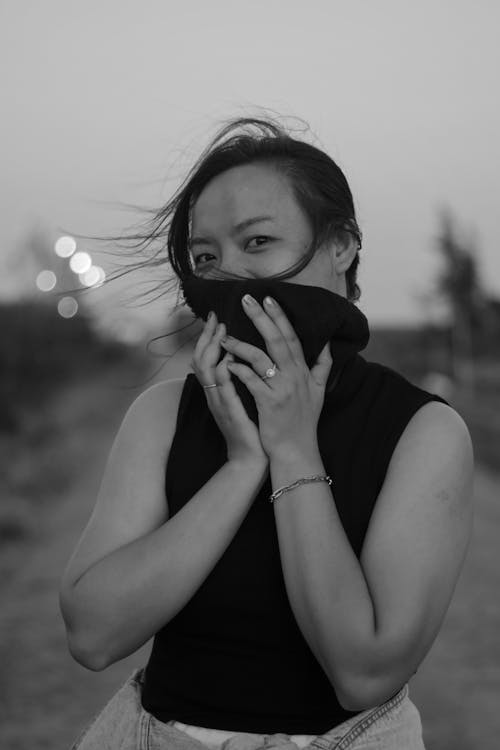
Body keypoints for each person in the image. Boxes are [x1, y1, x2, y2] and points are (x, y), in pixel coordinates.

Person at [59, 114, 474, 750]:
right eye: (206, 257)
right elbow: (92, 635)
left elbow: (365, 671)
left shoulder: (422, 431)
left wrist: (292, 451)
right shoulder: (163, 415)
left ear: (340, 246)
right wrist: (241, 466)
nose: (227, 277)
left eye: (257, 243)